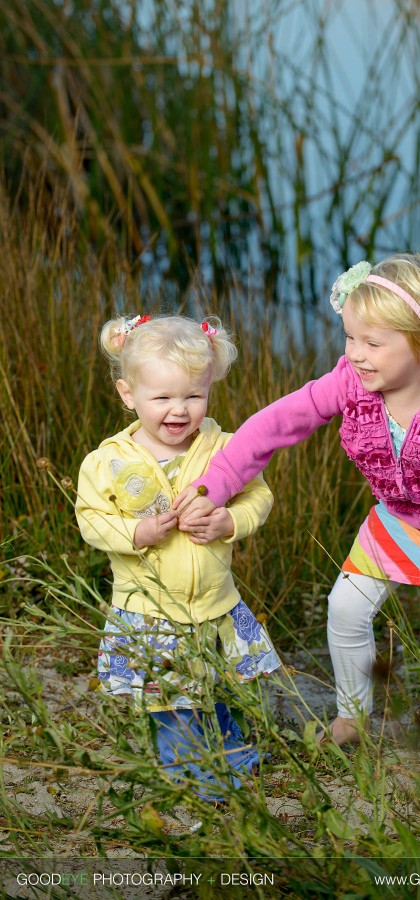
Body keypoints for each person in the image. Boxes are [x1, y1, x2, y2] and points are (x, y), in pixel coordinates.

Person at [173, 249, 420, 772]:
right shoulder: (350, 384)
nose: (356, 354)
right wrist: (217, 484)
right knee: (345, 606)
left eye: (373, 343)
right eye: (350, 338)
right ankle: (351, 718)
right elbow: (276, 425)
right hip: (396, 520)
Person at [76, 313, 280, 802]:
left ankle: (230, 747)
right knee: (175, 701)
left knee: (218, 685)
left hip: (214, 601)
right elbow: (91, 520)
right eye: (162, 397)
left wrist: (230, 522)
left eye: (193, 396)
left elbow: (259, 496)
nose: (179, 410)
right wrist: (137, 531)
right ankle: (191, 772)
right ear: (129, 395)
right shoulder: (108, 462)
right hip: (150, 611)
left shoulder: (225, 449)